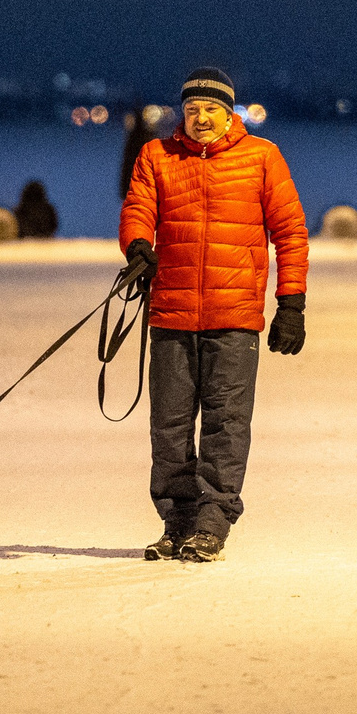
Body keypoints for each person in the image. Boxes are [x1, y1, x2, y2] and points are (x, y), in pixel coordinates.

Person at [119, 66, 309, 563]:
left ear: (229, 114)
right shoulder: (157, 156)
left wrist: (291, 304)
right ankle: (177, 523)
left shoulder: (262, 158)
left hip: (235, 318)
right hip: (172, 314)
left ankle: (212, 523)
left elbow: (290, 233)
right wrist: (138, 245)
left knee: (226, 425)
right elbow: (138, 207)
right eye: (191, 110)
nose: (201, 118)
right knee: (171, 427)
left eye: (211, 110)